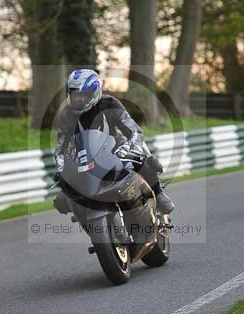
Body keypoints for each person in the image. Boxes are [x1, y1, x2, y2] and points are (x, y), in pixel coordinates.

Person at [54, 68, 175, 214]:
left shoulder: (109, 103)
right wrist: (62, 169)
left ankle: (158, 192)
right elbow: (61, 147)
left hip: (117, 148)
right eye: (75, 95)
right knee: (63, 197)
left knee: (144, 158)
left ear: (93, 92)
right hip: (86, 158)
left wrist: (130, 148)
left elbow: (134, 130)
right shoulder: (67, 114)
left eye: (82, 95)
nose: (78, 99)